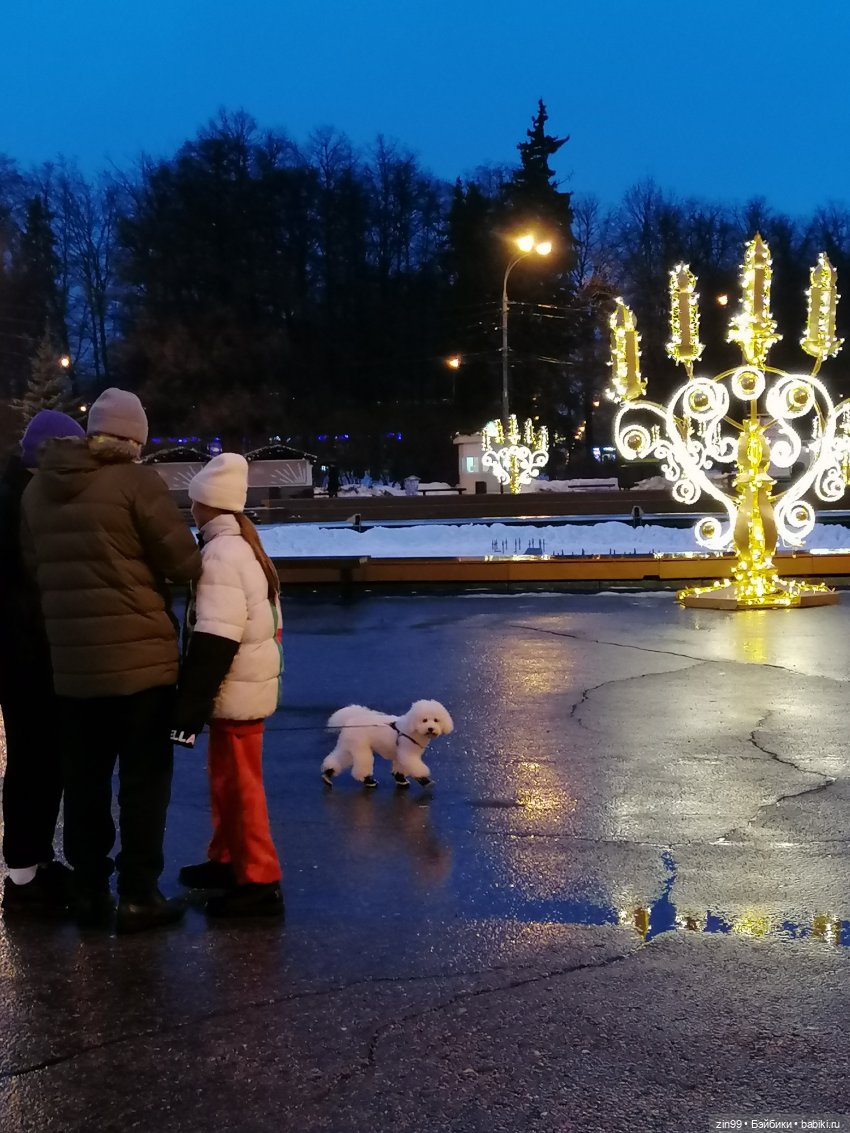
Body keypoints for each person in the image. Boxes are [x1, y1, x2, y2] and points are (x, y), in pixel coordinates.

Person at [21, 389, 202, 933]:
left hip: (72, 671)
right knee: (144, 784)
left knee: (85, 783)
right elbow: (183, 563)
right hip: (142, 667)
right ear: (134, 440)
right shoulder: (137, 484)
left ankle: (90, 892)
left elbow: (36, 571)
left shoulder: (36, 491)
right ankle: (139, 894)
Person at [171, 452, 284, 919]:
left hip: (236, 690)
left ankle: (259, 878)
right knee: (227, 782)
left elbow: (216, 638)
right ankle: (227, 859)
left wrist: (189, 706)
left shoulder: (220, 555)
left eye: (193, 501)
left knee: (241, 788)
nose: (190, 508)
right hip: (244, 687)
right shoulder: (241, 547)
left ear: (206, 504)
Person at [0, 410, 85, 916]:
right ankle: (24, 876)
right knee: (35, 761)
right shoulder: (21, 502)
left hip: (25, 650)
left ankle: (33, 864)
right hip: (26, 653)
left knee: (39, 761)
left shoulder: (17, 492)